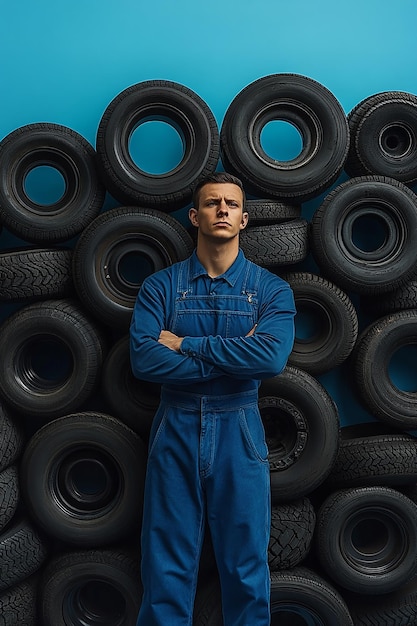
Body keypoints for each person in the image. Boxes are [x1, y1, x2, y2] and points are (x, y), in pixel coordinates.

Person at [130, 171, 296, 625]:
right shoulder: (159, 288)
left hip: (239, 431)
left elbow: (271, 358)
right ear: (194, 216)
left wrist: (186, 344)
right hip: (175, 427)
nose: (221, 209)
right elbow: (144, 361)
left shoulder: (271, 290)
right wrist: (236, 354)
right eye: (211, 203)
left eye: (230, 204)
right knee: (166, 566)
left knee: (245, 567)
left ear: (244, 219)